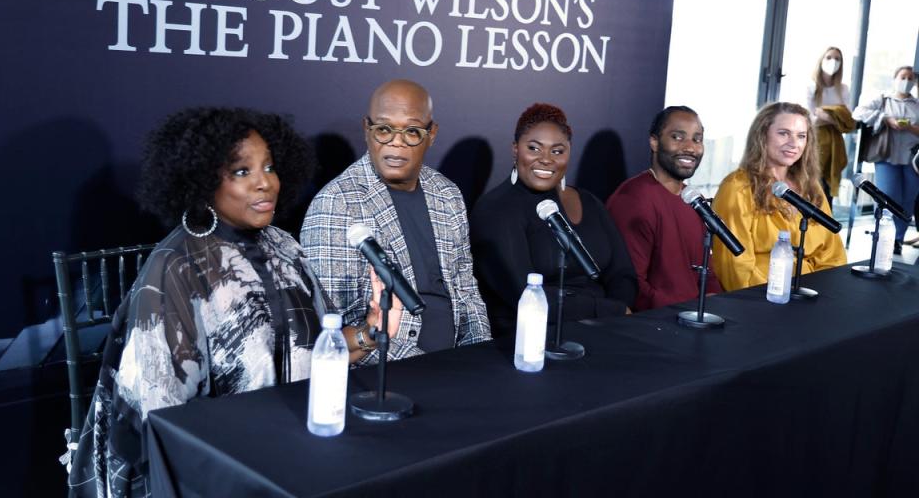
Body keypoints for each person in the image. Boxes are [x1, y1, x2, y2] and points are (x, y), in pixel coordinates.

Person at [66, 107, 397, 498]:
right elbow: (158, 420)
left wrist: (370, 331)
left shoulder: (285, 248)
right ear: (202, 181)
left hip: (298, 448)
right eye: (243, 172)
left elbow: (317, 353)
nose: (265, 184)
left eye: (269, 168)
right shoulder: (176, 268)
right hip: (219, 468)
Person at [300, 80, 491, 362]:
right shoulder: (336, 204)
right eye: (384, 130)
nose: (396, 142)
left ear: (431, 134)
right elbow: (334, 326)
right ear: (367, 130)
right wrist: (427, 369)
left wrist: (480, 352)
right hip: (393, 369)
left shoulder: (447, 193)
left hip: (460, 363)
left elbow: (465, 289)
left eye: (412, 131)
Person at [470, 103, 636, 336]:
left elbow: (623, 273)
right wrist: (608, 310)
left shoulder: (589, 201)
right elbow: (523, 294)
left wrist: (615, 321)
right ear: (515, 149)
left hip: (604, 330)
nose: (546, 159)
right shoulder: (496, 209)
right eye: (534, 148)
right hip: (532, 339)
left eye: (557, 151)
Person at [712, 102, 846, 290]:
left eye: (801, 136)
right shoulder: (737, 187)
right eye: (783, 133)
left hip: (812, 293)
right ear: (762, 135)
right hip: (761, 296)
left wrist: (825, 291)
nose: (793, 143)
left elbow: (833, 253)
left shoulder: (811, 187)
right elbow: (734, 264)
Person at [606, 106, 722, 310]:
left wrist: (712, 307)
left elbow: (707, 272)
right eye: (678, 137)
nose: (690, 147)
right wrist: (683, 314)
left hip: (695, 317)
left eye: (697, 139)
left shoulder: (694, 200)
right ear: (654, 142)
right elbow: (632, 285)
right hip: (657, 323)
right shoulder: (633, 199)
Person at [853, 65, 919, 253]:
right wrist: (886, 119)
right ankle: (882, 236)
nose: (906, 81)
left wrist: (911, 127)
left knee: (908, 199)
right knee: (887, 197)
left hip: (912, 159)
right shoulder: (883, 100)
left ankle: (897, 238)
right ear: (895, 78)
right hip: (886, 156)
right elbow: (858, 113)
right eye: (902, 77)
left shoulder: (917, 104)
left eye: (909, 78)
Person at [805, 46, 855, 206]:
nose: (833, 62)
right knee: (812, 182)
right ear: (821, 60)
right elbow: (808, 118)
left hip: (835, 144)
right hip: (813, 140)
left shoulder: (843, 89)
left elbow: (848, 121)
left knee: (827, 190)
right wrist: (835, 117)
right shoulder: (811, 86)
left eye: (837, 58)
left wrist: (825, 115)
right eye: (829, 57)